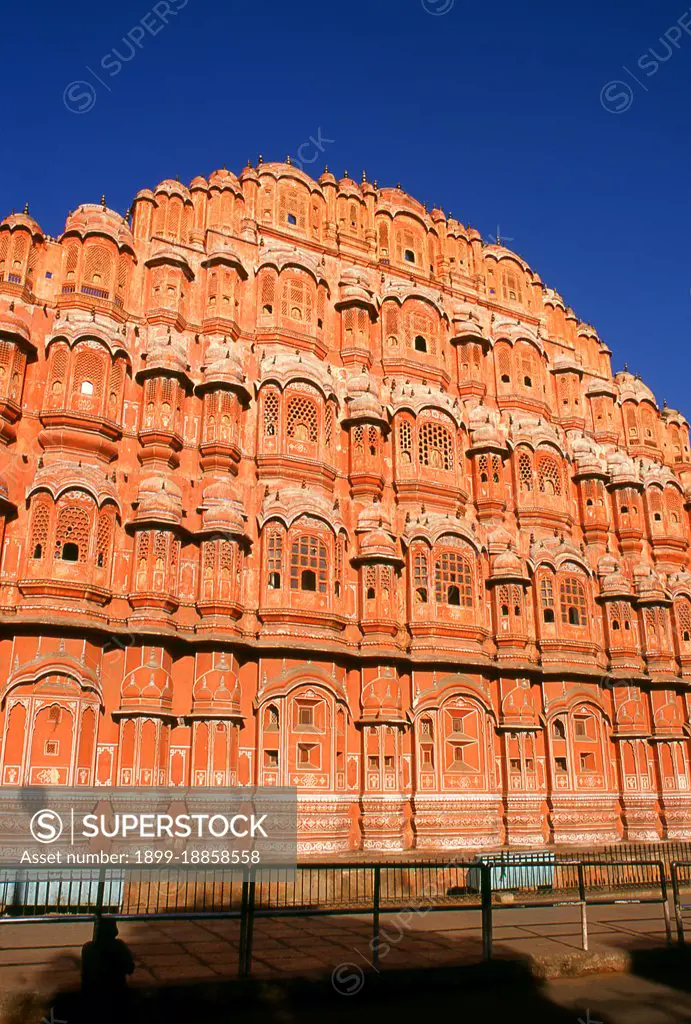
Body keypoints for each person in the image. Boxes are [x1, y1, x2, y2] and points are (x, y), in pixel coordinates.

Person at [81, 917, 135, 1021]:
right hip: (116, 997)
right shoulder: (119, 946)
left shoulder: (88, 948)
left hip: (93, 998)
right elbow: (130, 968)